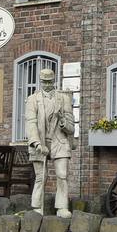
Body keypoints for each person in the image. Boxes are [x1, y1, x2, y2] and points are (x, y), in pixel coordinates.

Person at [25, 67, 75, 218]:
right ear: (40, 82)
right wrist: (38, 144)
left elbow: (71, 127)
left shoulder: (63, 99)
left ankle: (62, 207)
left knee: (62, 175)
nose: (47, 84)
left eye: (50, 82)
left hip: (59, 141)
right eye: (44, 82)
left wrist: (62, 122)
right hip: (40, 142)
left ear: (54, 81)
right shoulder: (33, 99)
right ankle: (36, 207)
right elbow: (31, 123)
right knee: (41, 177)